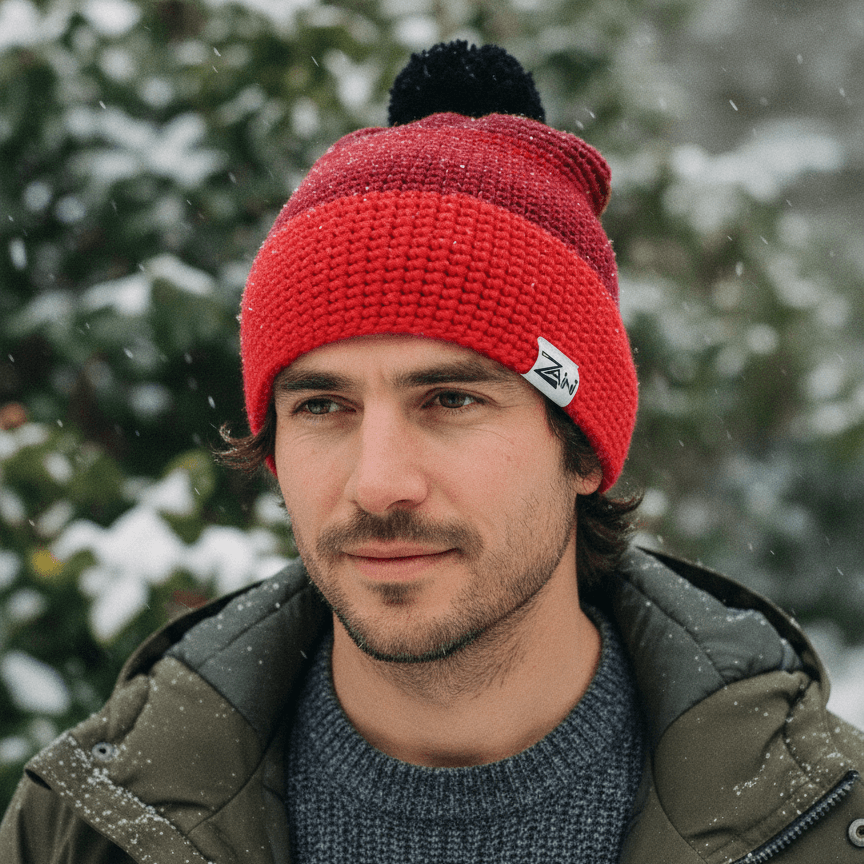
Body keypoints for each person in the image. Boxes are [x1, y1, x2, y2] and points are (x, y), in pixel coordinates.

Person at [2, 41, 863, 864]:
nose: (379, 482)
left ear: (585, 448)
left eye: (451, 400)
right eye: (324, 406)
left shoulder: (827, 828)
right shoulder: (86, 831)